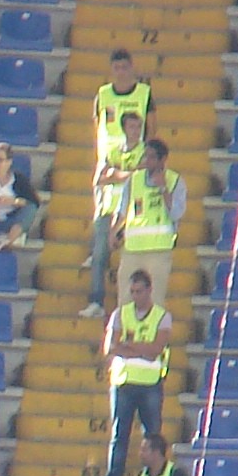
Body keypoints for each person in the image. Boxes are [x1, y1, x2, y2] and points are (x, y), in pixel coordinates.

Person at [94, 267, 175, 476]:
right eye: (132, 291)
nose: (135, 296)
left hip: (150, 384)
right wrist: (141, 349)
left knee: (153, 434)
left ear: (149, 290)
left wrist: (129, 347)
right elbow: (111, 347)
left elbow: (156, 350)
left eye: (139, 291)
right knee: (120, 433)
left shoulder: (162, 316)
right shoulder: (120, 314)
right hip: (123, 382)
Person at [82, 105, 146, 319]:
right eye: (131, 126)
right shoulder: (113, 151)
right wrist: (127, 174)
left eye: (138, 126)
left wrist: (115, 174)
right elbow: (100, 177)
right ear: (124, 128)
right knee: (99, 254)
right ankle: (96, 302)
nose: (135, 130)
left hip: (133, 212)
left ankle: (130, 308)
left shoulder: (146, 152)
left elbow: (142, 178)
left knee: (130, 261)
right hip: (109, 208)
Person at [114, 134, 185, 315]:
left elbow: (177, 213)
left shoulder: (175, 181)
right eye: (145, 156)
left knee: (155, 301)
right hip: (132, 249)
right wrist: (113, 233)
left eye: (152, 157)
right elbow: (122, 211)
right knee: (125, 300)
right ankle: (124, 339)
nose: (147, 161)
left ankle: (154, 340)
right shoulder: (134, 180)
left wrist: (163, 189)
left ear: (163, 159)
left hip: (159, 250)